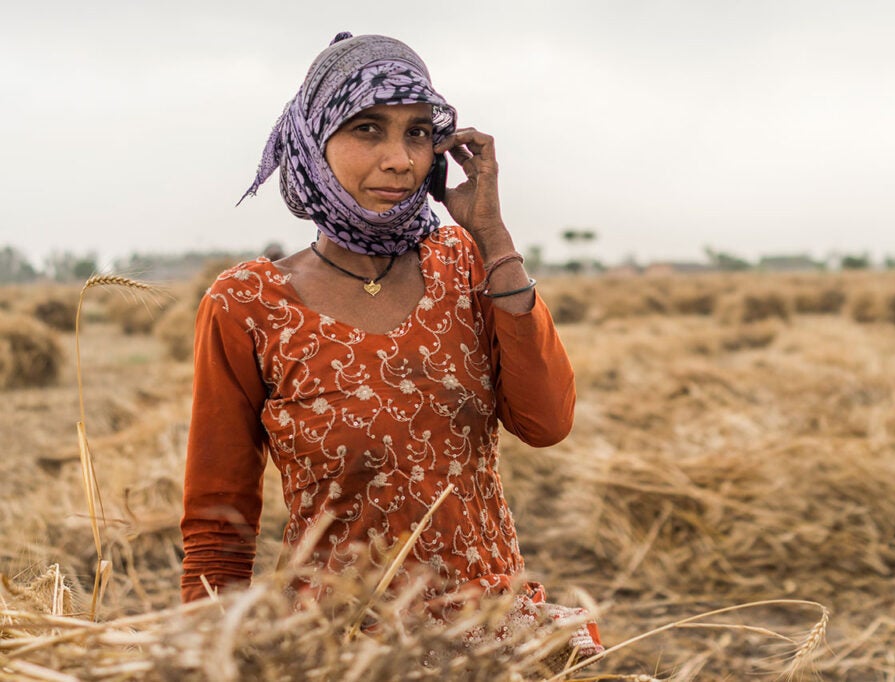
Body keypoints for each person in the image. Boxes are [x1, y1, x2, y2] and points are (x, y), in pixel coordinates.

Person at [179, 31, 602, 658]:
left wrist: (492, 237)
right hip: (345, 648)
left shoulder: (463, 263)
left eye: (418, 132)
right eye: (368, 130)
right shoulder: (249, 304)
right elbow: (219, 518)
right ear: (312, 142)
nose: (401, 158)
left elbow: (547, 422)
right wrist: (204, 651)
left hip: (492, 637)